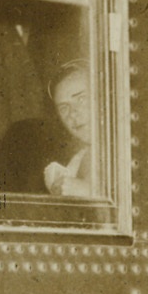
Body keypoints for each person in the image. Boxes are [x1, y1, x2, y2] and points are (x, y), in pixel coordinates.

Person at [43, 61, 92, 197]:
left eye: (81, 99)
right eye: (64, 107)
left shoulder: (129, 148)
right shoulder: (76, 161)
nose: (72, 113)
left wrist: (89, 192)